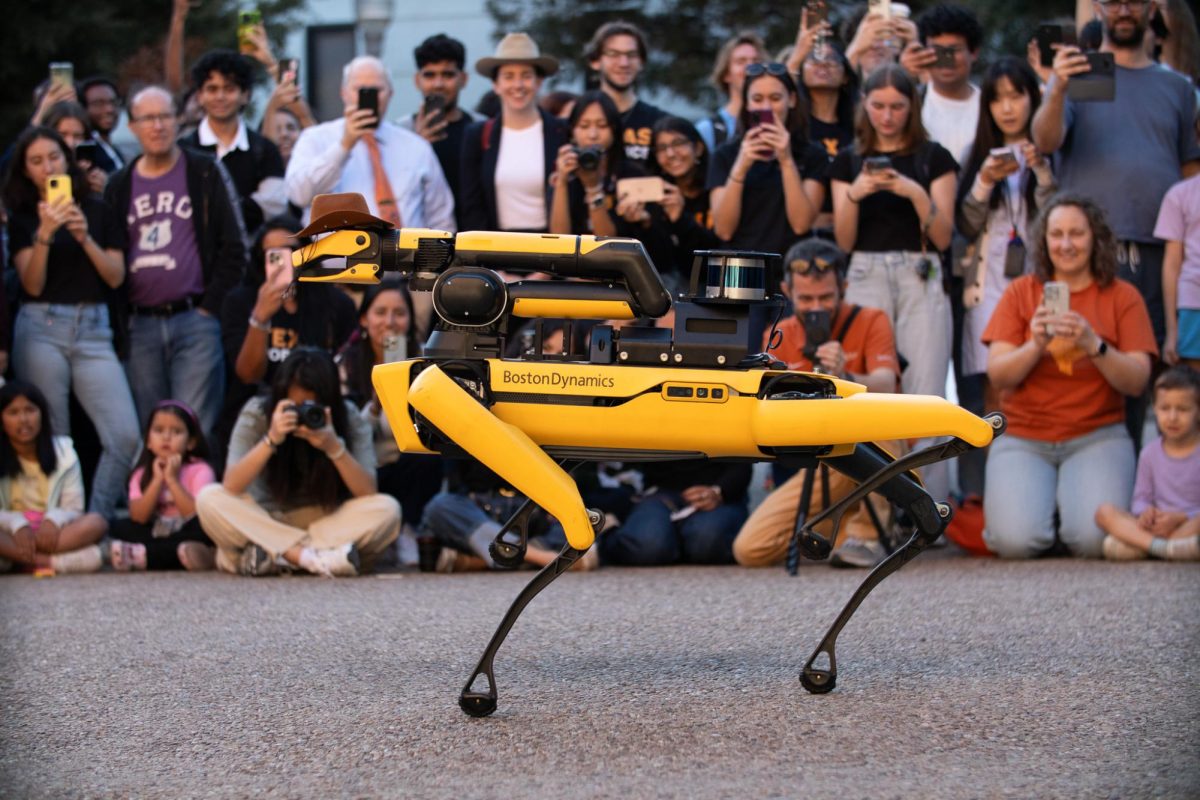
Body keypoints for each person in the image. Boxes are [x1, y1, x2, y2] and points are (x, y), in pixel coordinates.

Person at [982, 195, 1158, 559]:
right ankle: (1048, 511)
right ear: (1043, 240)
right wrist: (1035, 344)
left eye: (1076, 233)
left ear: (1095, 237)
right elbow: (998, 376)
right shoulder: (1021, 292)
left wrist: (1095, 344)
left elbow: (1138, 381)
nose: (1066, 244)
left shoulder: (1123, 296)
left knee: (1093, 543)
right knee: (1015, 543)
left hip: (1097, 434)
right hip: (1024, 435)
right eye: (1056, 234)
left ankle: (1065, 513)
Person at [1032, 0, 1200, 350]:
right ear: (1098, 9)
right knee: (1082, 360)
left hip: (1158, 251)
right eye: (1113, 2)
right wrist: (1059, 87)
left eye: (1134, 2)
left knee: (1151, 359)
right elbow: (1045, 140)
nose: (1124, 10)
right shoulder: (1075, 77)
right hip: (1083, 250)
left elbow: (1190, 173)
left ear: (1151, 8)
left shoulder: (1179, 87)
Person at [829, 63, 958, 499]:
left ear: (912, 106)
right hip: (865, 268)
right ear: (865, 105)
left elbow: (943, 236)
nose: (887, 116)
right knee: (866, 389)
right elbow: (843, 240)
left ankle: (930, 506)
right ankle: (875, 511)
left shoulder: (932, 156)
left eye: (897, 106)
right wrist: (853, 194)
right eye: (879, 106)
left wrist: (913, 192)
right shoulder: (848, 159)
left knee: (927, 392)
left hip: (920, 269)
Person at [734, 238, 900, 569]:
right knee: (750, 549)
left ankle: (868, 534)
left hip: (868, 448)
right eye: (806, 299)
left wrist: (846, 374)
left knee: (883, 416)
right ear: (787, 290)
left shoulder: (871, 319)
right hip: (816, 456)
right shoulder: (779, 331)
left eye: (826, 297)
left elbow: (888, 384)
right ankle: (852, 531)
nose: (816, 308)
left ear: (844, 288)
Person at [3, 126, 140, 519]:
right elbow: (31, 283)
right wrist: (45, 234)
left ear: (67, 160)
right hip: (40, 328)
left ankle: (91, 520)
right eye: (36, 161)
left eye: (54, 157)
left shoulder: (97, 209)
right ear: (25, 171)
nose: (47, 166)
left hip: (94, 329)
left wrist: (84, 237)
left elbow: (115, 276)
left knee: (125, 436)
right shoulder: (23, 218)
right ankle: (55, 523)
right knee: (55, 437)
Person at [104, 86, 247, 437]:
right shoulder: (118, 185)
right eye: (147, 118)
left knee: (194, 429)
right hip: (140, 325)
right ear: (132, 125)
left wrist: (209, 307)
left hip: (195, 319)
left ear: (179, 121)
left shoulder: (204, 173)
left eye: (165, 116)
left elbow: (235, 245)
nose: (157, 126)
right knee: (150, 429)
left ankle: (194, 492)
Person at [195, 348, 400, 577]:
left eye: (311, 408)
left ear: (329, 400)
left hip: (327, 520)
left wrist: (334, 447)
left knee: (387, 509)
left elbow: (368, 492)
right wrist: (270, 439)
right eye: (296, 406)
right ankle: (313, 558)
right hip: (266, 516)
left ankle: (272, 557)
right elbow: (231, 485)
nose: (304, 414)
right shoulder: (258, 413)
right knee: (209, 498)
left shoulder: (348, 417)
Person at [954, 58, 1057, 495]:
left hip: (1034, 286)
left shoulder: (1048, 148)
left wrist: (1042, 173)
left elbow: (1059, 219)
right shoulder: (976, 155)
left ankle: (1028, 493)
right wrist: (982, 180)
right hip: (986, 288)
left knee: (1037, 382)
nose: (1008, 108)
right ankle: (988, 496)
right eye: (997, 99)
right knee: (989, 393)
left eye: (1017, 96)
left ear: (1033, 98)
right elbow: (963, 225)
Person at [285, 55, 454, 232]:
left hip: (408, 257)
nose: (368, 97)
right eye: (360, 90)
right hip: (338, 257)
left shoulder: (416, 147)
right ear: (343, 93)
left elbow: (441, 217)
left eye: (376, 90)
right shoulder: (316, 138)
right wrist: (344, 146)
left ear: (390, 94)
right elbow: (299, 195)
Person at [338, 276, 442, 560]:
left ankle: (408, 528)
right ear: (364, 319)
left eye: (399, 313)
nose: (390, 322)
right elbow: (349, 431)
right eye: (380, 312)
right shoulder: (347, 364)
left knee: (428, 457)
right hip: (368, 461)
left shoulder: (425, 362)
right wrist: (374, 404)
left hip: (409, 460)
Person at [709, 62, 827, 276]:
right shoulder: (725, 154)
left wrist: (786, 159)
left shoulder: (812, 154)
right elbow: (724, 230)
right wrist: (741, 165)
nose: (766, 108)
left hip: (791, 272)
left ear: (791, 100)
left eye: (775, 98)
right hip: (738, 274)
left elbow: (801, 224)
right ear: (746, 103)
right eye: (757, 99)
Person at [220, 215, 356, 390]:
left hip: (320, 402)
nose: (282, 261)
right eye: (272, 255)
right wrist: (259, 318)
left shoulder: (336, 303)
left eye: (289, 251)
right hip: (259, 404)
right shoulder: (240, 302)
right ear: (260, 259)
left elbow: (349, 369)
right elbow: (248, 376)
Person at [460, 33, 567, 235]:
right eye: (508, 76)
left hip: (552, 250)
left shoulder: (561, 131)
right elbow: (472, 208)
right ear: (496, 85)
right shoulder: (478, 135)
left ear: (539, 82)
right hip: (498, 251)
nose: (518, 85)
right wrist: (487, 264)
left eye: (526, 76)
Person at [0, 381, 107, 575]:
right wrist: (16, 523)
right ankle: (50, 562)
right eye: (13, 412)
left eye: (30, 410)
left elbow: (74, 508)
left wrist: (53, 520)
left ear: (42, 414)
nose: (23, 419)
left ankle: (18, 560)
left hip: (50, 534)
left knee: (96, 522)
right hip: (10, 533)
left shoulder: (64, 452)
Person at [1095, 365, 1200, 561]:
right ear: (1155, 409)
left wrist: (1181, 518)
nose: (1172, 417)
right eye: (1165, 408)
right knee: (1105, 513)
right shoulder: (1149, 453)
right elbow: (1140, 498)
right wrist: (1146, 513)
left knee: (1115, 546)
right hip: (1156, 529)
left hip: (1189, 525)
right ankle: (1164, 548)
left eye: (1183, 409)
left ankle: (1145, 547)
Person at [180, 49, 287, 236]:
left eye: (229, 89)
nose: (220, 97)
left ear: (246, 95)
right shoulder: (183, 150)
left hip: (250, 256)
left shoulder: (264, 150)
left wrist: (212, 210)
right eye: (212, 89)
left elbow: (273, 205)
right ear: (200, 96)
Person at [107, 400, 217, 571]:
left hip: (186, 529)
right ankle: (179, 555)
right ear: (148, 441)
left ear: (191, 442)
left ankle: (144, 556)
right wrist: (158, 480)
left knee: (204, 529)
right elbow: (139, 516)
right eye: (159, 430)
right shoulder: (141, 473)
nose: (166, 437)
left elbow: (195, 514)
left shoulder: (200, 470)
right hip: (158, 530)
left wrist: (172, 480)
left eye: (177, 431)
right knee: (120, 526)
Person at [399, 34, 477, 231]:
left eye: (448, 75)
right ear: (417, 80)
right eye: (430, 75)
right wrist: (417, 145)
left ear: (464, 79)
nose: (438, 84)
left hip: (476, 239)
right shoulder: (400, 133)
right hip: (419, 242)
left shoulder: (481, 128)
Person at [899, 3, 983, 169]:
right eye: (937, 50)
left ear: (973, 53)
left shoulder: (991, 105)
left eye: (954, 50)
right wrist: (902, 77)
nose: (946, 61)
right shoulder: (910, 105)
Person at [584, 21, 666, 170]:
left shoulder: (659, 122)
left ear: (641, 62)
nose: (623, 63)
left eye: (631, 55)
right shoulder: (578, 121)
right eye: (613, 54)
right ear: (595, 61)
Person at [651, 116, 721, 282]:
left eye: (678, 144)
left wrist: (681, 219)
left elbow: (718, 251)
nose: (670, 154)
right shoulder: (656, 196)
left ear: (698, 148)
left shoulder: (718, 189)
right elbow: (660, 262)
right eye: (661, 148)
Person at [695, 32, 769, 155]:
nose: (750, 67)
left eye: (756, 61)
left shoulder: (776, 122)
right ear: (726, 75)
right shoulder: (708, 130)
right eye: (741, 61)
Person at [1154, 171, 1200, 368]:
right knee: (1194, 390)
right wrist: (1172, 332)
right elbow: (1172, 266)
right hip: (1194, 304)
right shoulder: (1180, 194)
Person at [41, 101, 107, 196]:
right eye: (63, 135)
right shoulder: (43, 170)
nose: (70, 143)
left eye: (77, 136)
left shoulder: (94, 170)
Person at [78, 76, 126, 173]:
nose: (109, 109)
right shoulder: (86, 154)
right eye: (99, 104)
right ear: (83, 108)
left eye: (113, 102)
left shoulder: (115, 151)